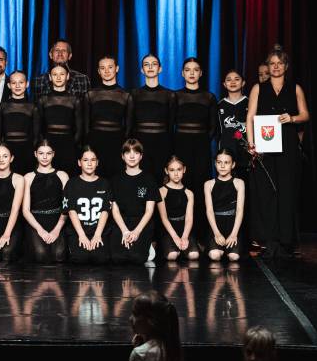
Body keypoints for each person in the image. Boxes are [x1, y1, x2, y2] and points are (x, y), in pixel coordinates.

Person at [245, 44, 309, 258]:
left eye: (279, 63)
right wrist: (251, 144)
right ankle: (268, 240)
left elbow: (305, 115)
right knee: (267, 193)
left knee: (287, 192)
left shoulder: (295, 88)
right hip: (265, 145)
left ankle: (287, 240)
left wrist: (292, 118)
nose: (275, 67)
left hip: (288, 145)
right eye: (272, 63)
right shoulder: (258, 88)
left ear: (286, 66)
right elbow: (250, 117)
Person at [173, 57, 217, 244]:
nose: (191, 73)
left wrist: (202, 143)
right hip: (181, 147)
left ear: (201, 73)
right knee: (181, 190)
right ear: (182, 73)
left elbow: (213, 128)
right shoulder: (176, 96)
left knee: (200, 191)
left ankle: (201, 237)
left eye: (195, 69)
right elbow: (170, 124)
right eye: (188, 70)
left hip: (201, 149)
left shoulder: (209, 97)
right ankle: (181, 237)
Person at [110, 139, 159, 265]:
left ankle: (148, 245)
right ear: (122, 156)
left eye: (136, 153)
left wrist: (137, 232)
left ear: (141, 156)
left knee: (137, 258)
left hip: (141, 223)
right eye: (128, 152)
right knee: (117, 258)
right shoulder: (115, 180)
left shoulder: (149, 179)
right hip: (122, 223)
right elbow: (115, 210)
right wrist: (125, 231)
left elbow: (149, 211)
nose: (132, 156)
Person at [84, 55, 133, 179]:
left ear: (117, 68)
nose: (106, 71)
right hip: (95, 143)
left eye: (110, 67)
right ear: (98, 71)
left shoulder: (126, 95)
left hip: (117, 144)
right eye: (103, 68)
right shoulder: (90, 94)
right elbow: (86, 125)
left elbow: (129, 126)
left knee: (116, 179)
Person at [130, 54, 176, 185]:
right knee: (141, 181)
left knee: (161, 181)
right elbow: (131, 123)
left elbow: (171, 124)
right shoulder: (134, 94)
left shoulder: (169, 95)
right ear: (142, 70)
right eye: (146, 64)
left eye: (154, 64)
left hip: (162, 144)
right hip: (141, 143)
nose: (150, 67)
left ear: (160, 69)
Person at [22, 139, 69, 263]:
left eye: (48, 153)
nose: (44, 157)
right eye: (41, 153)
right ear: (35, 154)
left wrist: (57, 230)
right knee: (40, 254)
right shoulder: (28, 177)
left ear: (53, 154)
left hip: (57, 220)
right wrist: (40, 230)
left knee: (59, 255)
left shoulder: (63, 175)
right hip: (35, 221)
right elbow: (25, 210)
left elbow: (66, 207)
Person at [63, 146, 112, 264]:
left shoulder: (104, 183)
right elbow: (71, 211)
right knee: (80, 259)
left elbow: (105, 211)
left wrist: (97, 235)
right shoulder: (72, 184)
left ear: (97, 162)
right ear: (79, 163)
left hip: (98, 230)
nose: (89, 163)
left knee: (101, 259)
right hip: (78, 231)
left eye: (93, 160)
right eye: (85, 160)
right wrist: (82, 235)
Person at [36, 62, 82, 176]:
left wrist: (71, 144)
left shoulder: (75, 100)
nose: (58, 77)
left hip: (68, 146)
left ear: (68, 76)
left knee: (68, 177)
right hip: (48, 146)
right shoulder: (43, 100)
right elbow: (38, 127)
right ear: (50, 77)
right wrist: (44, 145)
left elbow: (79, 128)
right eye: (55, 74)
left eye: (62, 74)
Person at [0, 70, 39, 175]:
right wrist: (4, 153)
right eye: (14, 83)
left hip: (27, 153)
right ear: (9, 85)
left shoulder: (33, 107)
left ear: (27, 84)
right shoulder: (2, 107)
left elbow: (36, 136)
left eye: (21, 82)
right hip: (7, 154)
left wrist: (30, 152)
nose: (17, 86)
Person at [204, 149, 245, 262]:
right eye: (219, 162)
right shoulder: (208, 184)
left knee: (234, 257)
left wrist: (234, 234)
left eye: (226, 162)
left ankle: (231, 246)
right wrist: (216, 233)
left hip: (233, 224)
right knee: (215, 255)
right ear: (215, 163)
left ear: (233, 164)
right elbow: (209, 210)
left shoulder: (239, 183)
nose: (222, 166)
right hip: (216, 224)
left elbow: (240, 210)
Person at [128, 289, 183, 361]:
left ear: (151, 321)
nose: (130, 318)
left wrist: (139, 349)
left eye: (135, 314)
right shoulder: (172, 349)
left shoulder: (139, 354)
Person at [157, 156, 199, 261]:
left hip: (184, 228)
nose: (176, 173)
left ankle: (184, 249)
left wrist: (184, 237)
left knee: (194, 255)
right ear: (166, 171)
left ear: (184, 170)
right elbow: (164, 218)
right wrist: (175, 237)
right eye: (172, 170)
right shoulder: (161, 191)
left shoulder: (189, 193)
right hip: (168, 229)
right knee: (172, 256)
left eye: (179, 169)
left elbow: (189, 219)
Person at [218, 69, 250, 181]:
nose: (232, 82)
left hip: (246, 153)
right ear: (224, 84)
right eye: (229, 80)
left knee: (246, 183)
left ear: (243, 83)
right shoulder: (220, 105)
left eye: (237, 79)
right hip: (226, 153)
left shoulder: (250, 103)